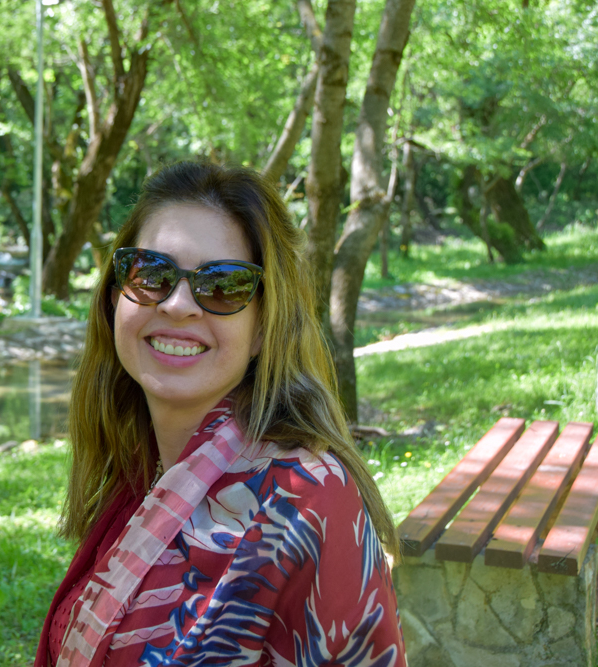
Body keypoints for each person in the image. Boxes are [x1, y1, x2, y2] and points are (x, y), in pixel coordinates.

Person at [35, 162, 405, 666]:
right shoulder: (140, 478)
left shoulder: (306, 501)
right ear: (115, 297)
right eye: (151, 273)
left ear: (263, 327)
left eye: (223, 285)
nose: (177, 305)